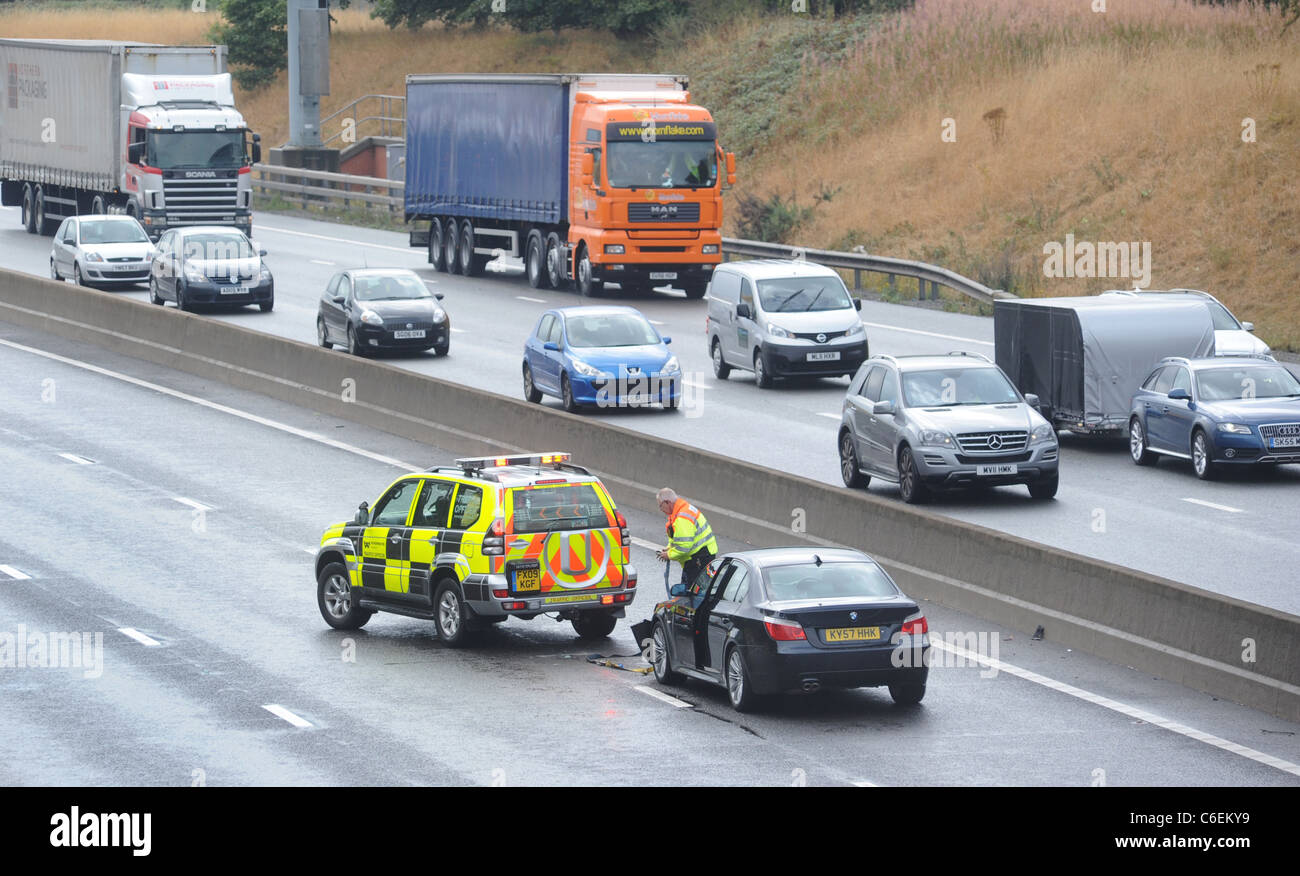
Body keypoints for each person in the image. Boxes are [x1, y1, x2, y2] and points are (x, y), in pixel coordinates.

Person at [655, 488, 717, 591]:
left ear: (667, 502)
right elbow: (677, 537)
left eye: (660, 506)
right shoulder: (681, 510)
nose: (660, 509)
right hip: (701, 556)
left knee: (694, 592)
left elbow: (684, 546)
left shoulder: (682, 518)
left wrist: (669, 555)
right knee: (695, 589)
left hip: (699, 558)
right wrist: (670, 548)